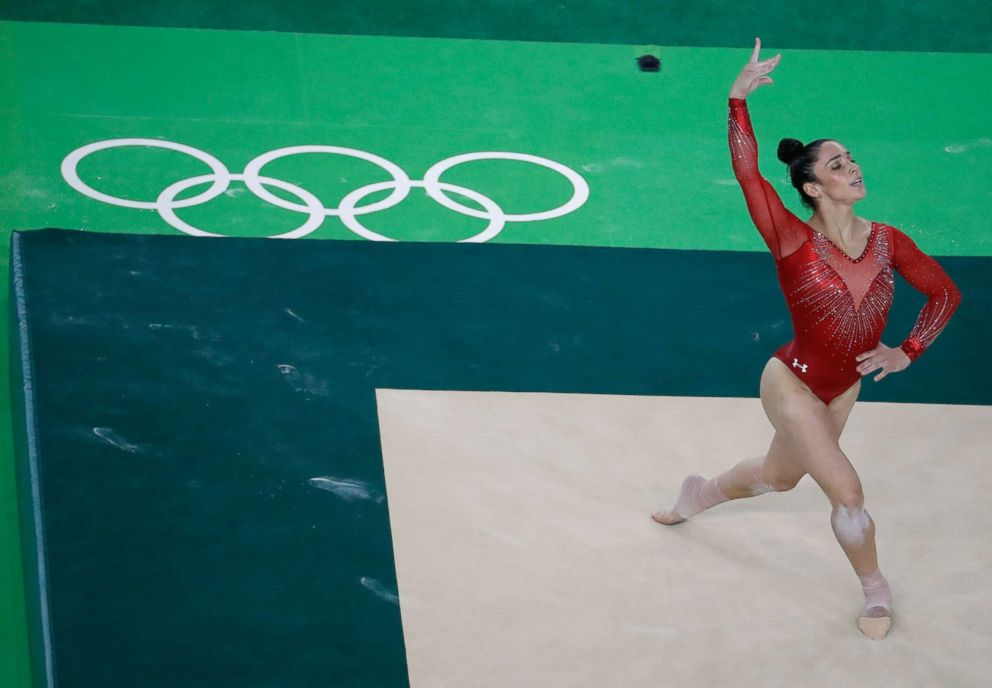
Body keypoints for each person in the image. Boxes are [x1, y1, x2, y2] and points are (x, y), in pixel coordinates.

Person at [652, 38, 961, 641]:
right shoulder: (791, 238)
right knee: (846, 490)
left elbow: (946, 294)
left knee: (778, 478)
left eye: (852, 158)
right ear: (813, 189)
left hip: (842, 388)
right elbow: (747, 173)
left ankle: (702, 492)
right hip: (791, 380)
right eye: (837, 165)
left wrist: (908, 350)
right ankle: (875, 590)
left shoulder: (889, 241)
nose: (853, 168)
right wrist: (737, 99)